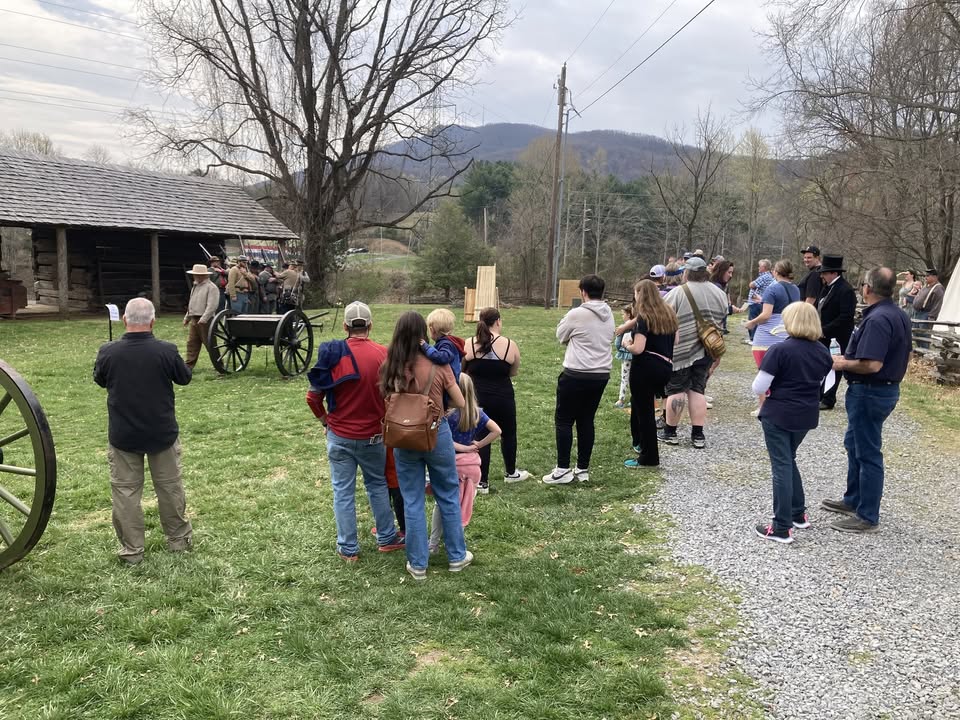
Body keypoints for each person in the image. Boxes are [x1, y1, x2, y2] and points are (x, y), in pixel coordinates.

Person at [93, 298, 193, 565]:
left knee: (125, 492)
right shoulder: (166, 350)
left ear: (125, 320)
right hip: (161, 432)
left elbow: (100, 379)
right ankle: (178, 540)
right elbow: (184, 377)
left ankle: (132, 551)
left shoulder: (108, 352)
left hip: (124, 433)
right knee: (170, 487)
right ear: (152, 322)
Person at [305, 301, 404, 561]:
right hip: (374, 436)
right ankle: (387, 537)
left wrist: (326, 422)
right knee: (378, 486)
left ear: (345, 326)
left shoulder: (333, 354)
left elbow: (313, 398)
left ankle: (348, 549)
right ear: (370, 325)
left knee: (343, 491)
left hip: (340, 436)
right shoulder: (384, 354)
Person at [381, 311, 471, 581]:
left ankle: (418, 564)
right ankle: (457, 556)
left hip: (403, 436)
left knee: (412, 499)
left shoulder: (392, 365)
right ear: (423, 332)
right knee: (447, 493)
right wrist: (441, 410)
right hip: (436, 433)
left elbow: (385, 399)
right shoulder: (438, 366)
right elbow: (461, 402)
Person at [822, 267, 912, 533]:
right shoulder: (897, 314)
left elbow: (872, 364)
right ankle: (853, 499)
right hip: (880, 389)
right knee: (854, 443)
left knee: (868, 452)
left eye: (863, 284)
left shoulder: (878, 320)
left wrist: (841, 363)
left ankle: (867, 516)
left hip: (871, 390)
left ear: (868, 289)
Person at [752, 302, 833, 543]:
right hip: (806, 415)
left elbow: (759, 386)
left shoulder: (779, 350)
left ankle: (781, 526)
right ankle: (798, 514)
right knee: (789, 460)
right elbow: (825, 385)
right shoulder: (823, 352)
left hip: (778, 414)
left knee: (781, 466)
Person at [543, 274, 615, 484]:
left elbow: (560, 335)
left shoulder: (577, 314)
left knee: (564, 420)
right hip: (601, 374)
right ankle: (582, 469)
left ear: (583, 292)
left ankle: (562, 469)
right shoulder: (609, 313)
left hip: (576, 373)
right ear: (602, 292)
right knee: (586, 420)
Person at [658, 257, 729, 448]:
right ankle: (698, 435)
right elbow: (724, 318)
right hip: (707, 348)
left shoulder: (679, 292)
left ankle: (670, 432)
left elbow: (664, 316)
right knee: (698, 390)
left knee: (676, 390)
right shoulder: (719, 292)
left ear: (686, 272)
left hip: (680, 349)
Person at [428, 373, 501, 554]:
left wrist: (462, 448)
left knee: (442, 504)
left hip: (452, 464)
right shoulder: (477, 413)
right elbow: (497, 430)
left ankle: (434, 544)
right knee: (463, 505)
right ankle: (457, 545)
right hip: (472, 468)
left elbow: (442, 440)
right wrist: (477, 445)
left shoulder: (446, 415)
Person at [462, 307, 530, 492]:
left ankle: (482, 482)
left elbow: (463, 370)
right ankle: (511, 473)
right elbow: (513, 372)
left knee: (481, 436)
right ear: (498, 321)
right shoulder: (509, 344)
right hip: (503, 396)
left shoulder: (468, 344)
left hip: (478, 397)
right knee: (508, 434)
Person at [623, 279, 677, 468]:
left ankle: (648, 457)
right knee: (642, 408)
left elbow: (638, 348)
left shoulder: (644, 317)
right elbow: (676, 340)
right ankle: (640, 444)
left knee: (644, 412)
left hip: (644, 368)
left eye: (636, 293)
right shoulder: (669, 313)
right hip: (664, 367)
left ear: (641, 294)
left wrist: (626, 345)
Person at [816, 254, 856, 410]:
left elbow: (846, 317)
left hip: (837, 336)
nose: (822, 275)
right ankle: (820, 394)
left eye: (825, 272)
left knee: (834, 366)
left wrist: (824, 330)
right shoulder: (827, 288)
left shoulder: (845, 290)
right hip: (824, 334)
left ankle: (828, 398)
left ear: (834, 273)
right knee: (823, 365)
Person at [743, 260, 800, 368]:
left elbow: (766, 315)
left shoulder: (772, 288)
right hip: (787, 336)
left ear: (776, 272)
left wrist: (752, 322)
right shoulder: (796, 289)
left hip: (768, 337)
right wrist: (763, 300)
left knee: (766, 372)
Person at [182, 263, 220, 369]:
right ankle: (188, 366)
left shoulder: (211, 287)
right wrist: (187, 318)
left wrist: (204, 318)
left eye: (197, 275)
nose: (195, 277)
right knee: (192, 343)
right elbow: (191, 304)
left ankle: (219, 366)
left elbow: (212, 305)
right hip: (195, 318)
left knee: (210, 344)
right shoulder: (195, 286)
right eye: (194, 275)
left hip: (205, 320)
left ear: (204, 275)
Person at [420, 308, 466, 382]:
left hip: (449, 383)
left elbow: (442, 357)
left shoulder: (447, 344)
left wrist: (427, 348)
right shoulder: (448, 342)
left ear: (432, 330)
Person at [613, 303, 635, 409]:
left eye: (623, 314)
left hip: (626, 356)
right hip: (636, 355)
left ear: (629, 314)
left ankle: (621, 399)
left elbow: (617, 342)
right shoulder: (637, 326)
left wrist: (620, 349)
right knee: (634, 378)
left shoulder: (623, 327)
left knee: (624, 377)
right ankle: (633, 399)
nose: (622, 316)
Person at [746, 259, 774, 342]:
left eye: (760, 266)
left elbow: (752, 285)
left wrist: (752, 283)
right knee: (758, 321)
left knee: (752, 320)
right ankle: (754, 338)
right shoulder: (769, 276)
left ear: (764, 267)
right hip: (760, 302)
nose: (758, 268)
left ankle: (753, 339)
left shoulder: (764, 276)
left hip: (756, 303)